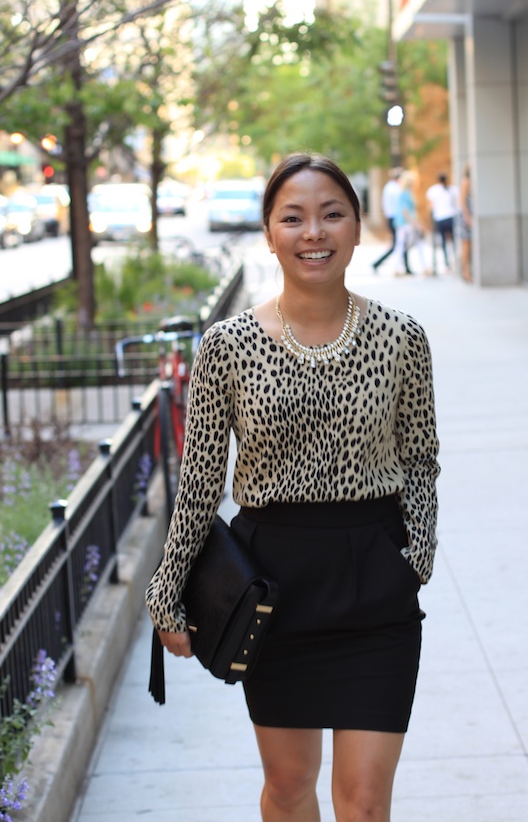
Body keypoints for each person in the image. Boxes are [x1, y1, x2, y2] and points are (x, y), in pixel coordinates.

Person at [146, 152, 440, 822]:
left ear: (358, 228)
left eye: (332, 213)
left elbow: (420, 458)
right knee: (288, 787)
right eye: (295, 218)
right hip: (274, 589)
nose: (315, 231)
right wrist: (168, 593)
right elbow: (199, 479)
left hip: (376, 587)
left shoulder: (401, 339)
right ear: (270, 233)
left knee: (364, 804)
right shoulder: (227, 345)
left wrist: (415, 554)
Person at [371, 167, 402, 272]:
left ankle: (407, 266)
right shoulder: (395, 188)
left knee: (400, 243)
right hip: (395, 218)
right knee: (397, 244)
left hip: (391, 217)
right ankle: (376, 263)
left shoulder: (388, 187)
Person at [426, 172, 457, 271]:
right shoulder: (452, 189)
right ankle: (455, 261)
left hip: (439, 218)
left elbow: (431, 205)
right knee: (453, 241)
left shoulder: (433, 190)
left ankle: (447, 263)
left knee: (443, 241)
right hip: (450, 216)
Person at [458, 164, 473, 283]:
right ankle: (465, 272)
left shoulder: (467, 181)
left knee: (467, 245)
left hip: (466, 216)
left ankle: (466, 272)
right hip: (465, 218)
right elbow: (462, 201)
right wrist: (467, 217)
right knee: (466, 245)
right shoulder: (466, 182)